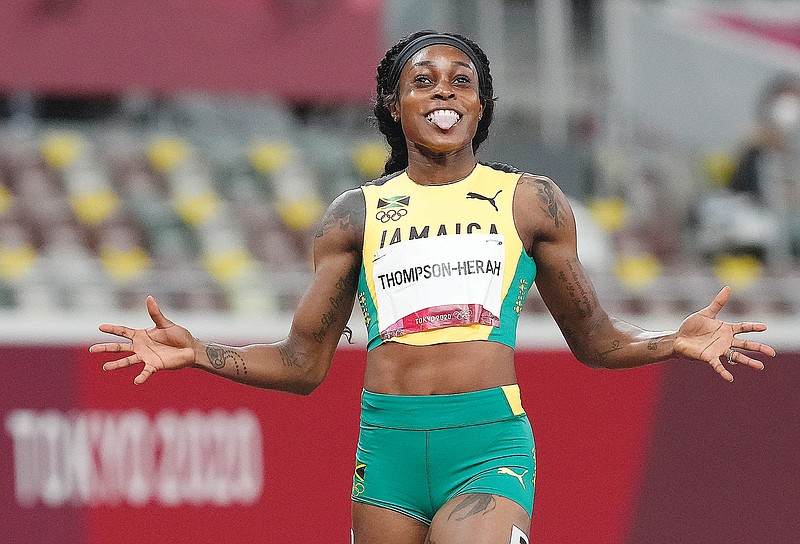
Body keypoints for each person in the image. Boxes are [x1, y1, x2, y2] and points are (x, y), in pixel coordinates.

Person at [90, 31, 776, 544]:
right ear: (395, 104)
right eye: (424, 80)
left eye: (461, 79)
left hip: (486, 445)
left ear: (481, 105)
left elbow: (594, 342)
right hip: (385, 454)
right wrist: (199, 352)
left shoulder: (530, 202)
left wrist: (669, 341)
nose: (444, 90)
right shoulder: (353, 216)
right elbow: (303, 367)